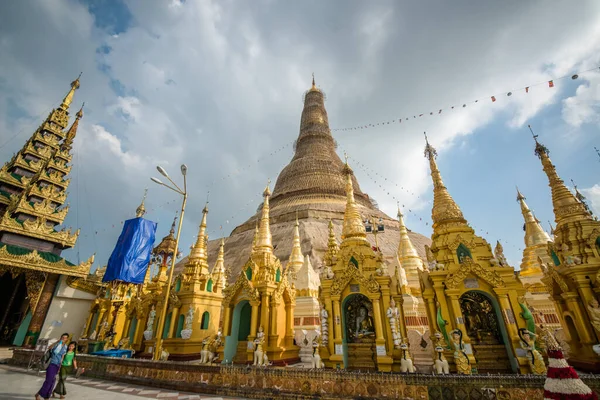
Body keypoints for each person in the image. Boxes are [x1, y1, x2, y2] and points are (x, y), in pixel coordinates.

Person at [36, 333, 69, 400]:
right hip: (51, 363)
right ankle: (39, 394)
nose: (63, 339)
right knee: (49, 380)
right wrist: (57, 341)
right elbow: (49, 347)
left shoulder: (65, 347)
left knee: (53, 381)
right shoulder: (57, 344)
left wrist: (60, 365)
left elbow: (62, 356)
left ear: (67, 339)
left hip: (57, 364)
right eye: (62, 337)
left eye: (65, 338)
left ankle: (46, 396)